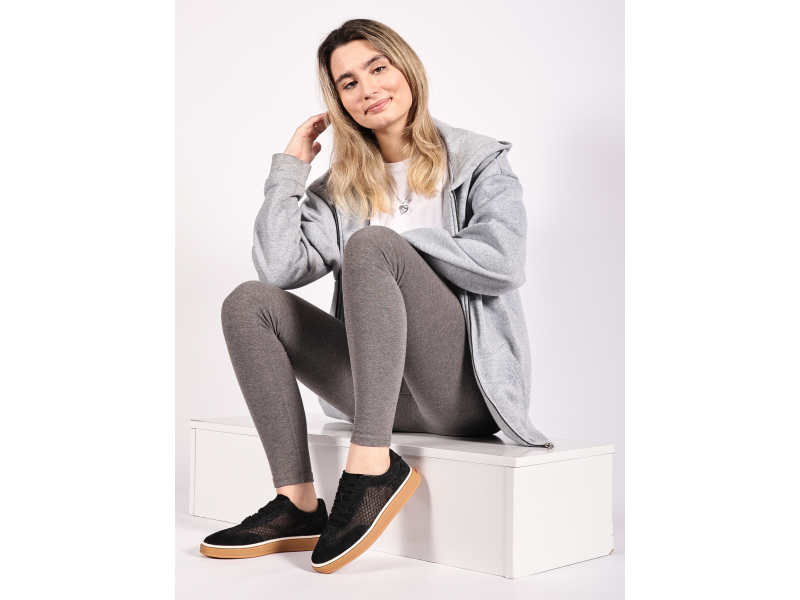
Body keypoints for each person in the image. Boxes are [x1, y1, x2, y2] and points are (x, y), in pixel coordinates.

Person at [199, 18, 552, 574]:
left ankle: (370, 466)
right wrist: (291, 170)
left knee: (372, 245)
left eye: (378, 68)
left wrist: (401, 248)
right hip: (374, 392)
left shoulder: (478, 161)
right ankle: (297, 503)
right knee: (248, 302)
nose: (368, 89)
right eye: (348, 83)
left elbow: (504, 261)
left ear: (406, 69)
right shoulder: (340, 188)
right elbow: (277, 268)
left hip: (461, 394)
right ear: (339, 101)